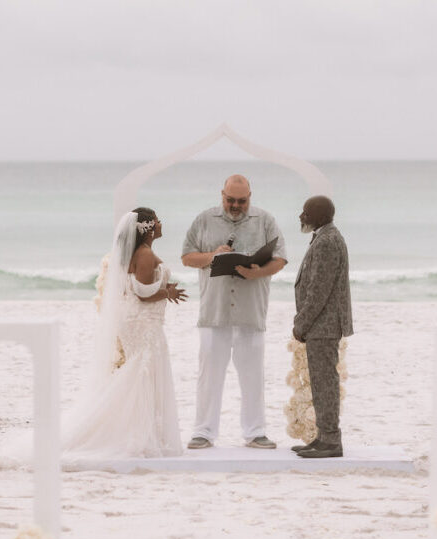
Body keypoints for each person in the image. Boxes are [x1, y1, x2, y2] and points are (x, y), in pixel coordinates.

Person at [62, 208, 187, 460]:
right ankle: (136, 435)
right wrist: (167, 293)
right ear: (149, 227)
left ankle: (139, 430)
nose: (162, 224)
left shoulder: (136, 254)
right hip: (143, 322)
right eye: (158, 221)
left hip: (136, 320)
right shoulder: (145, 254)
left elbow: (137, 286)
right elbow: (142, 292)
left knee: (141, 372)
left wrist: (162, 287)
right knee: (142, 373)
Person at [181, 175, 286, 449]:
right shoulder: (204, 219)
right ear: (222, 195)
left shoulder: (265, 220)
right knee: (209, 377)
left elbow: (281, 258)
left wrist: (258, 272)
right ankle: (203, 432)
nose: (236, 205)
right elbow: (186, 257)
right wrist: (212, 257)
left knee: (253, 377)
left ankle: (255, 432)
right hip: (214, 312)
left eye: (242, 200)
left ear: (250, 196)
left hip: (251, 312)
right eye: (230, 200)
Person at [291, 196, 353, 459]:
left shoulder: (327, 242)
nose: (300, 216)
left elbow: (319, 289)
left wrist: (301, 323)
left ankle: (330, 441)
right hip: (321, 325)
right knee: (321, 382)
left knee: (325, 383)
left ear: (318, 215)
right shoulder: (325, 236)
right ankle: (323, 436)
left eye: (305, 212)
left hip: (323, 325)